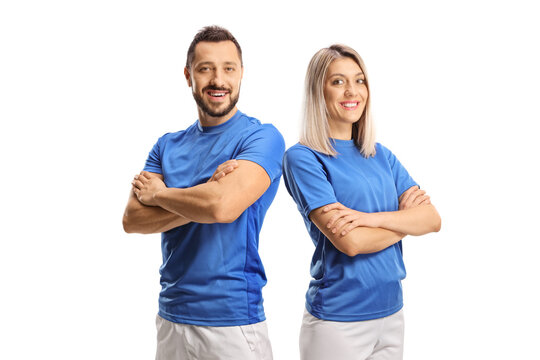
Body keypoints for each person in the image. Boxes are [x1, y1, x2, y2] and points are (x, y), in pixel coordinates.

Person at [123, 26, 284, 360]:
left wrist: (160, 195)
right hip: (171, 318)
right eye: (205, 68)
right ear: (188, 75)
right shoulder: (166, 146)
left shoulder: (262, 139)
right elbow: (133, 219)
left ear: (242, 74)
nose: (218, 80)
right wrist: (206, 192)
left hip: (232, 323)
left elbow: (222, 206)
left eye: (228, 68)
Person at [282, 44, 441, 360]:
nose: (351, 91)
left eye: (359, 80)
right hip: (338, 322)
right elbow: (351, 243)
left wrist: (370, 219)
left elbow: (432, 220)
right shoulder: (303, 158)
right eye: (338, 81)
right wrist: (403, 220)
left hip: (392, 313)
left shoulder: (380, 155)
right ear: (319, 91)